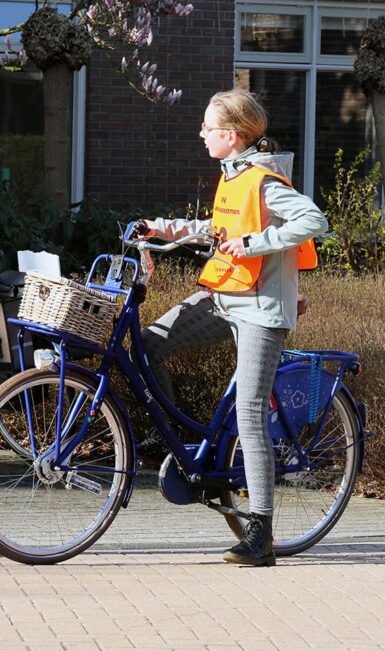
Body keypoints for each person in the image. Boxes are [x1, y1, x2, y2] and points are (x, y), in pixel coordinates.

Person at [136, 90, 328, 567]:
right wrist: (161, 228)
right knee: (151, 343)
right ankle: (185, 453)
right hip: (224, 298)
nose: (201, 134)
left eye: (207, 127)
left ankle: (260, 534)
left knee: (249, 414)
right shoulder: (231, 179)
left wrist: (257, 243)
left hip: (261, 309)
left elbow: (313, 219)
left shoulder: (263, 182)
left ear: (232, 134)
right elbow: (215, 229)